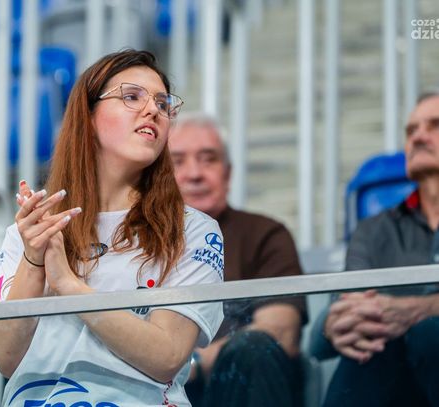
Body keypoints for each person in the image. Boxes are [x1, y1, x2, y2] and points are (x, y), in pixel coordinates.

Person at [0, 50, 224, 407]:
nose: (152, 110)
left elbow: (168, 356)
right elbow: (6, 358)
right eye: (132, 96)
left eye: (162, 103)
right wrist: (34, 262)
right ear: (88, 115)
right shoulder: (30, 231)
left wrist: (69, 286)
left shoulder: (193, 230)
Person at [168, 114, 307, 407]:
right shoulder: (135, 242)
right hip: (149, 391)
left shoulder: (265, 234)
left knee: (253, 349)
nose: (194, 174)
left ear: (228, 174)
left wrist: (189, 364)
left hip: (231, 388)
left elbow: (280, 331)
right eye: (177, 162)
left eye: (209, 159)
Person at [311, 92, 439, 406]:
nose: (418, 137)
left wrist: (421, 310)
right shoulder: (374, 229)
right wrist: (333, 324)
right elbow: (333, 321)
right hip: (393, 376)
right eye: (411, 131)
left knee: (428, 334)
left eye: (434, 125)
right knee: (369, 348)